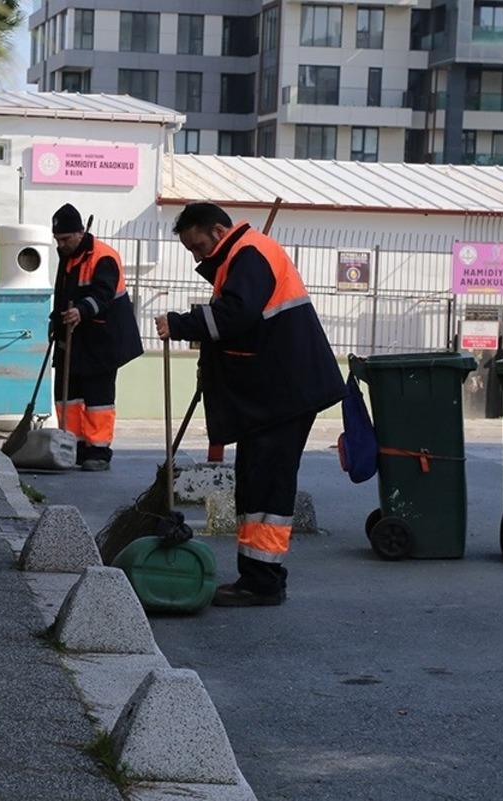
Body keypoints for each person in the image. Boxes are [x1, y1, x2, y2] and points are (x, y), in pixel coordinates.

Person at [156, 202, 345, 607]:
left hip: (285, 394)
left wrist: (182, 323)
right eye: (191, 250)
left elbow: (236, 315)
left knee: (267, 486)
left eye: (199, 245)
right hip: (278, 392)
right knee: (256, 480)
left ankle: (262, 581)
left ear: (220, 232)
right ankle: (257, 575)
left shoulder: (251, 254)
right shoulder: (242, 255)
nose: (197, 256)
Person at [50, 203, 143, 471]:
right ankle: (74, 445)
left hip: (103, 340)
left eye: (66, 239)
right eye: (57, 239)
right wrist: (56, 323)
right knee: (69, 397)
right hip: (73, 338)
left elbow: (103, 294)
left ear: (80, 233)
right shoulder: (67, 257)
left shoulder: (103, 257)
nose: (61, 244)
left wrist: (81, 311)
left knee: (98, 398)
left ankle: (99, 451)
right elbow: (62, 295)